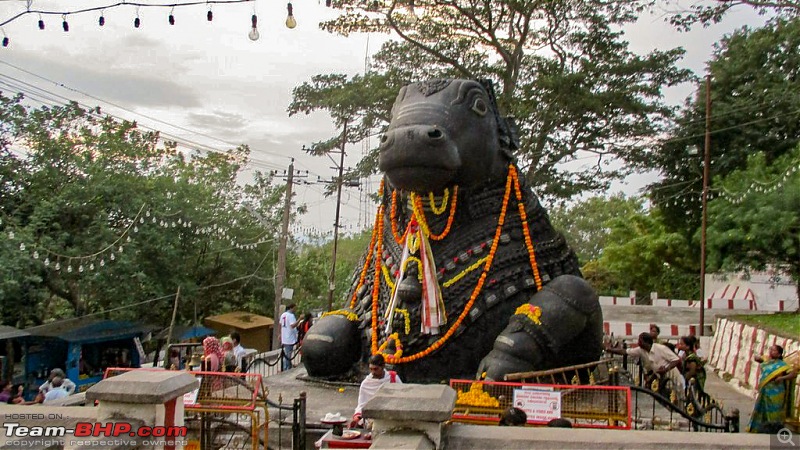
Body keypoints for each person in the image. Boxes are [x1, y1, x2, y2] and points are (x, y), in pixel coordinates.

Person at [605, 332, 684, 401]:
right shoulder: (641, 350)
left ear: (646, 342)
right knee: (666, 398)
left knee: (677, 398)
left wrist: (666, 369)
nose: (638, 342)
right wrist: (608, 349)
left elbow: (676, 360)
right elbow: (624, 352)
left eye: (640, 341)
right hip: (661, 380)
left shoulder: (660, 348)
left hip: (672, 377)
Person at [748, 344, 798, 433]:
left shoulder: (782, 365)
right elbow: (757, 358)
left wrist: (781, 378)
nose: (771, 351)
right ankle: (760, 429)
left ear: (779, 354)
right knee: (762, 410)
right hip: (765, 391)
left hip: (776, 393)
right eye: (771, 349)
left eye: (774, 350)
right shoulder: (767, 361)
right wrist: (760, 356)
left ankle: (775, 430)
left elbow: (793, 374)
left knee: (774, 412)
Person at [350, 354, 402, 428]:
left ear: (383, 366)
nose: (373, 372)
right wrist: (357, 417)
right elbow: (362, 405)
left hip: (391, 417)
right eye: (371, 369)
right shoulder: (366, 384)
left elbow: (402, 397)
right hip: (372, 421)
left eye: (376, 369)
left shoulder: (393, 378)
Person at [279, 303, 299, 371]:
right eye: (294, 308)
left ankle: (289, 366)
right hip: (289, 337)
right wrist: (299, 319)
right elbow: (293, 325)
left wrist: (280, 334)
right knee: (288, 355)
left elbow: (280, 324)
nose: (295, 310)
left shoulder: (283, 315)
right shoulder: (291, 316)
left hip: (285, 336)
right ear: (291, 308)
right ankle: (286, 368)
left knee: (287, 353)